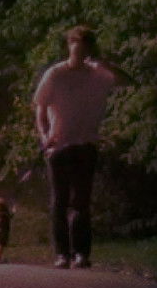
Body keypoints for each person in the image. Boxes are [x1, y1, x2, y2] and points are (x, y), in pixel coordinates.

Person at [33, 25, 128, 269]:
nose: (80, 53)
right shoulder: (55, 74)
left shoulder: (98, 74)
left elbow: (126, 81)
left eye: (84, 48)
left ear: (90, 49)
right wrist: (44, 136)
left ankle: (81, 254)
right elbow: (40, 108)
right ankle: (61, 254)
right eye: (76, 47)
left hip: (86, 143)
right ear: (69, 46)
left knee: (81, 202)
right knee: (59, 201)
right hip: (58, 144)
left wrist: (106, 64)